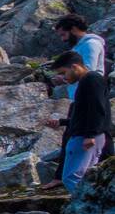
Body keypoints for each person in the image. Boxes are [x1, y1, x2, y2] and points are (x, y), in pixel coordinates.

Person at [47, 50, 111, 193]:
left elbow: (97, 108)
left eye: (64, 73)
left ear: (75, 67)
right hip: (89, 135)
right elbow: (85, 113)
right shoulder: (87, 80)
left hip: (86, 137)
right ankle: (93, 206)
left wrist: (90, 135)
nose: (63, 78)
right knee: (86, 177)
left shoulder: (91, 79)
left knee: (71, 177)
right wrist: (62, 122)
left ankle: (89, 207)